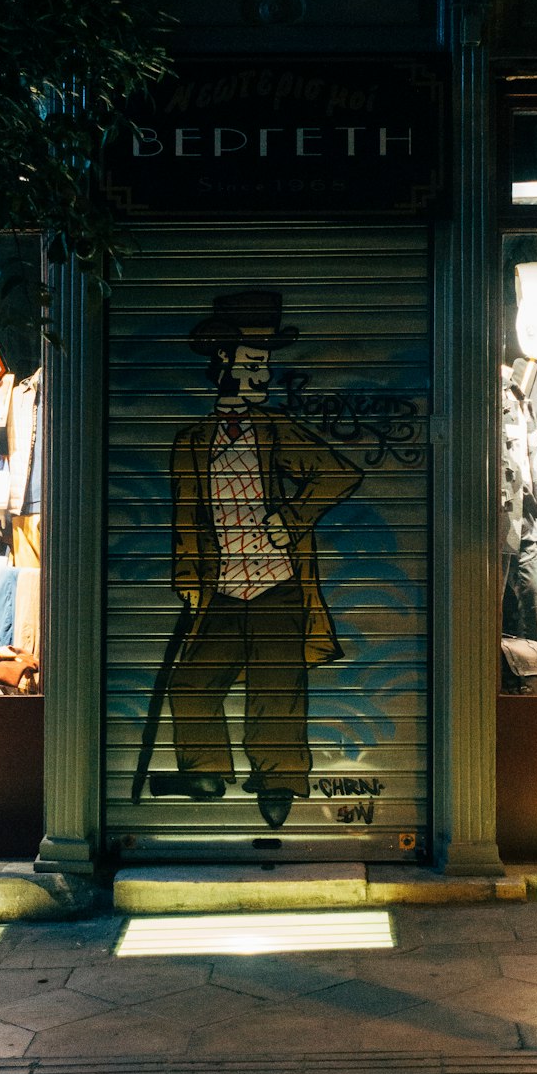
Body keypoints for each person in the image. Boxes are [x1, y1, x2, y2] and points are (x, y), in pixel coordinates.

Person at [152, 289, 363, 829]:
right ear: (222, 363)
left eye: (264, 364)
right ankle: (205, 769)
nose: (261, 375)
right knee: (192, 683)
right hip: (221, 586)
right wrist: (188, 577)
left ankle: (278, 779)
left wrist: (292, 516)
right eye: (251, 364)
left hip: (278, 582)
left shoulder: (274, 430)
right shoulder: (191, 441)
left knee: (278, 689)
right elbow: (185, 518)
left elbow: (340, 472)